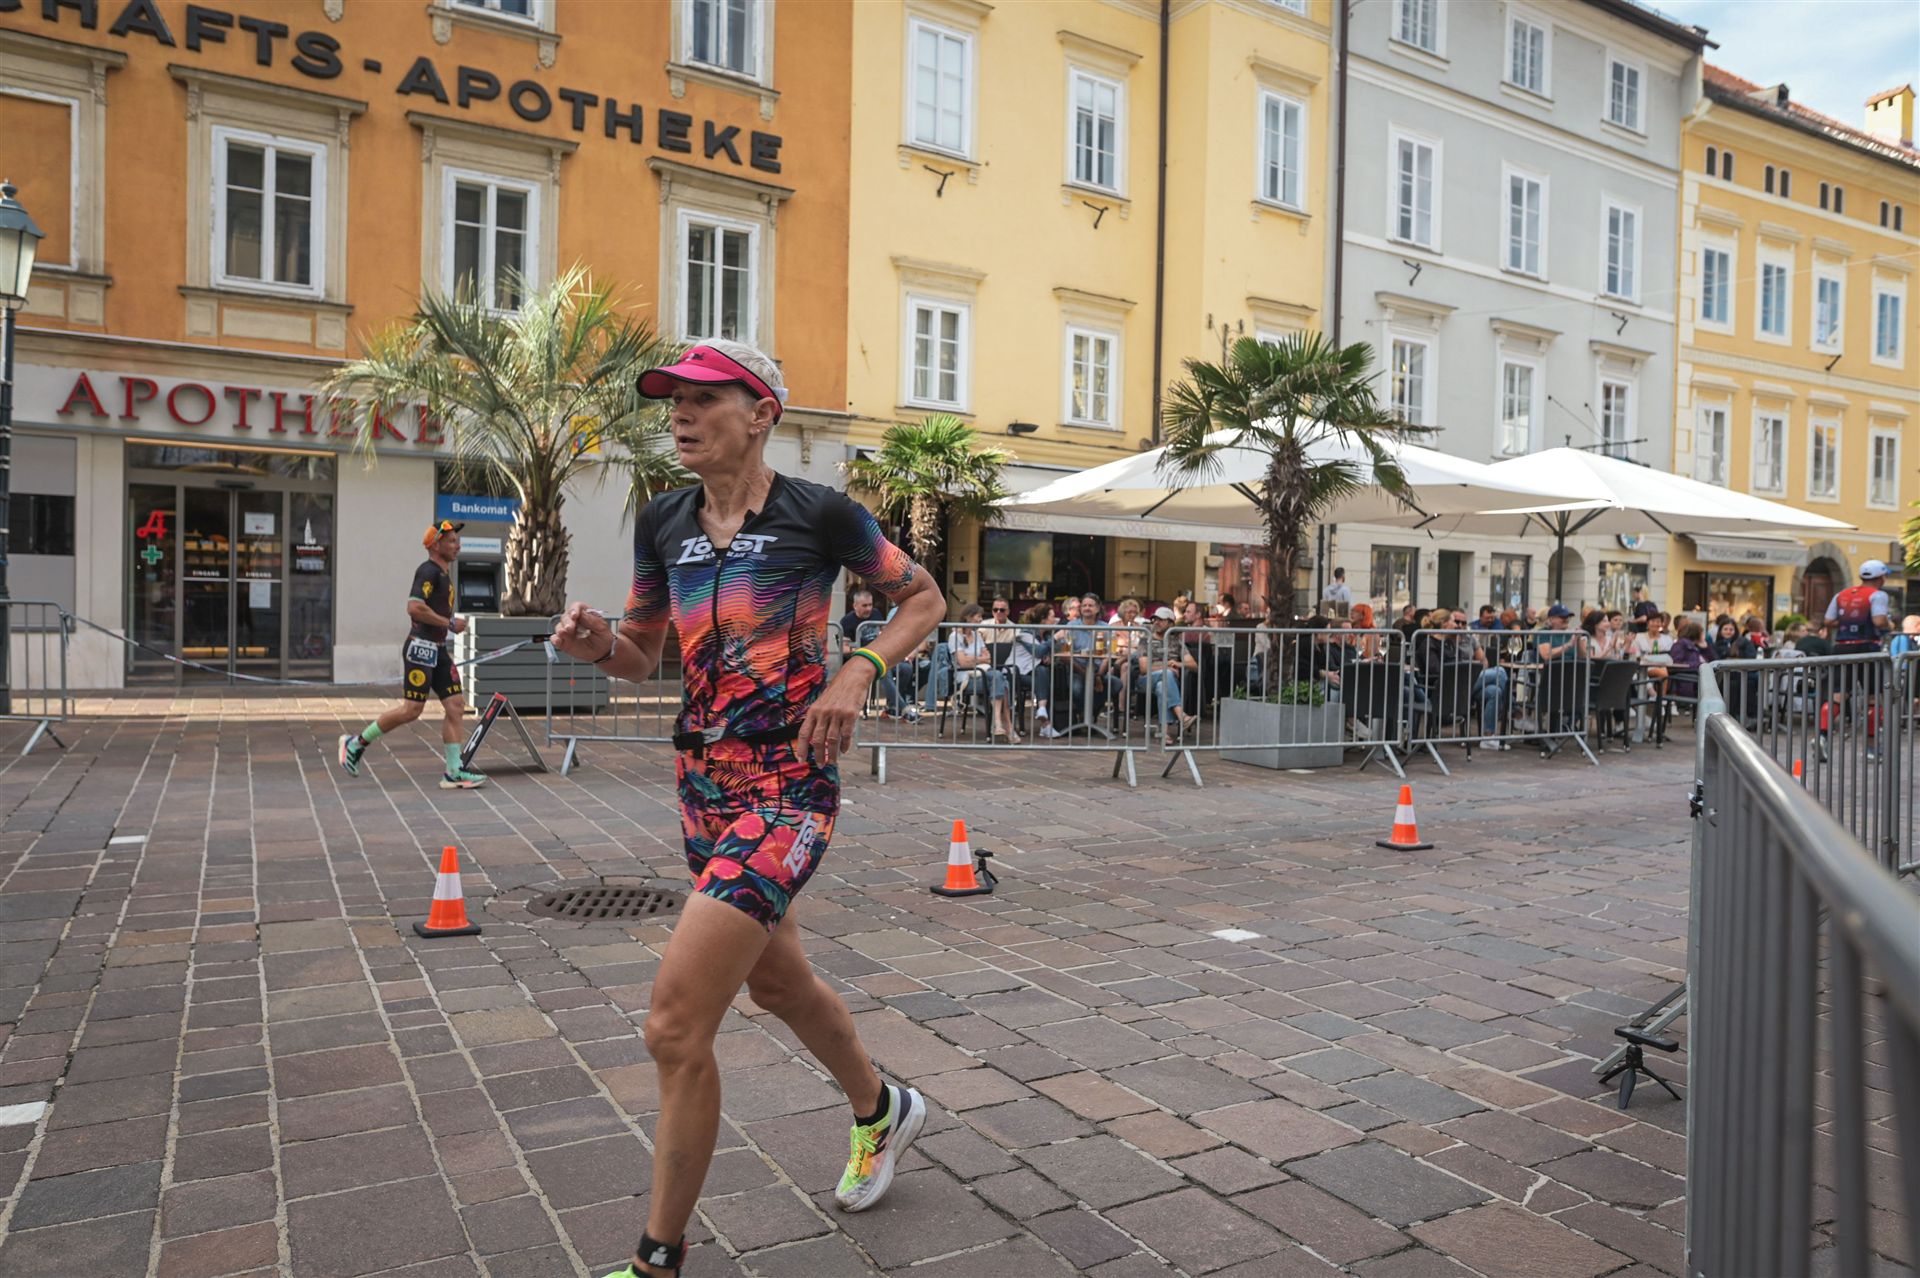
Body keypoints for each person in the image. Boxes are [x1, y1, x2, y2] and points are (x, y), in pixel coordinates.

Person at [549, 340, 945, 1278]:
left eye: (702, 399)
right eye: (672, 402)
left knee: (674, 1026)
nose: (680, 415)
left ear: (761, 412)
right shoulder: (664, 520)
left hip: (790, 784)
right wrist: (597, 643)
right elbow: (643, 655)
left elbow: (923, 598)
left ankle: (658, 1260)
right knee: (776, 986)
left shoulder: (821, 514)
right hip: (702, 786)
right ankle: (882, 1109)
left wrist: (858, 669)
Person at [337, 520, 486, 789]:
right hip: (420, 648)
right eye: (452, 541)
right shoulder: (427, 571)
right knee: (411, 710)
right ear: (436, 545)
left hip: (438, 649)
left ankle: (454, 772)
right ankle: (355, 743)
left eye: (457, 540)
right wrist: (449, 623)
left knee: (455, 706)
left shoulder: (442, 574)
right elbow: (414, 607)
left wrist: (446, 626)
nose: (458, 545)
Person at [954, 601, 1020, 742]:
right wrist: (979, 659)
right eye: (978, 616)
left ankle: (1000, 725)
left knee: (1001, 680)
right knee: (1002, 680)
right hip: (965, 678)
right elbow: (963, 662)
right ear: (968, 617)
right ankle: (1004, 726)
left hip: (983, 675)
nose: (981, 620)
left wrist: (973, 659)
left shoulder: (977, 636)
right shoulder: (955, 636)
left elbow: (988, 658)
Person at [1135, 606, 1199, 746]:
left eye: (1161, 620)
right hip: (1146, 680)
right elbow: (1144, 669)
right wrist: (1166, 667)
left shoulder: (1176, 642)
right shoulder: (1146, 640)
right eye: (1155, 619)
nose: (1156, 622)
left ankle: (1164, 733)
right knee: (1168, 674)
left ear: (1170, 623)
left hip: (1167, 682)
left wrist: (1178, 664)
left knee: (1162, 687)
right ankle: (1181, 715)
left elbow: (1194, 665)